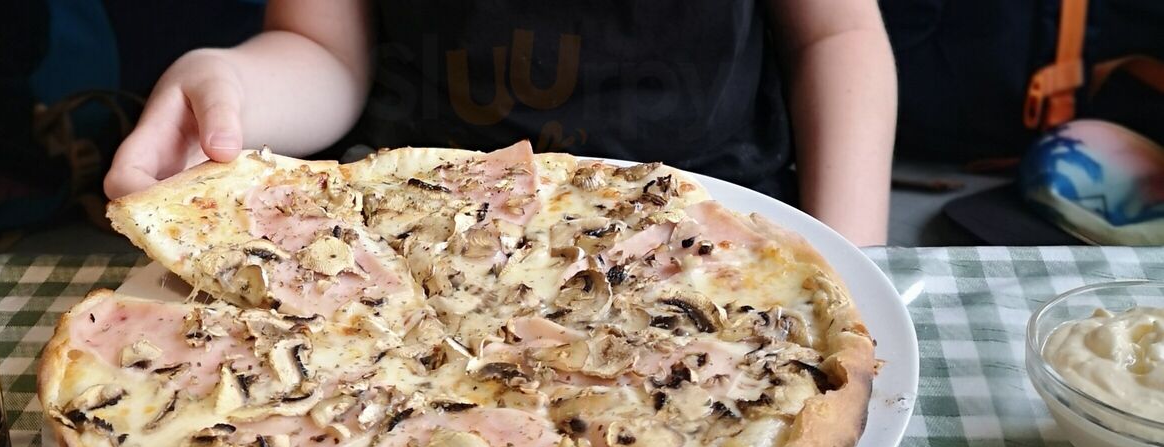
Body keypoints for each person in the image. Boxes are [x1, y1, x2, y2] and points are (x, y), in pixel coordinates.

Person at [103, 0, 897, 246]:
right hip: (407, 246)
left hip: (717, 231)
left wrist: (852, 257)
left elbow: (835, 37)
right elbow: (323, 51)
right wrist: (231, 88)